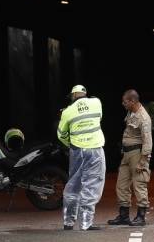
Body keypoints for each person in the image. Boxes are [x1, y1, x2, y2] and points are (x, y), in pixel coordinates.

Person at [57, 84, 106, 231]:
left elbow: (61, 134)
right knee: (92, 184)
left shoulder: (67, 111)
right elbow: (99, 119)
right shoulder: (97, 103)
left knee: (74, 184)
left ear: (73, 96)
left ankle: (68, 222)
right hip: (95, 149)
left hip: (77, 151)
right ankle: (85, 223)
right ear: (85, 94)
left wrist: (71, 144)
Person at [107, 89, 153, 227]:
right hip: (127, 154)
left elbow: (148, 141)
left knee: (139, 184)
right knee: (121, 185)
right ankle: (123, 215)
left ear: (132, 101)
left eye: (125, 101)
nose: (123, 104)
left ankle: (141, 216)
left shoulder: (143, 117)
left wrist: (143, 161)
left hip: (137, 154)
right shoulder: (131, 112)